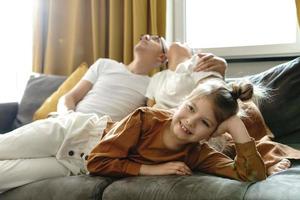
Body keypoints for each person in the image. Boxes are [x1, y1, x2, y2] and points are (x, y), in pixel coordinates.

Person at [2, 78, 300, 192]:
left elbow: (252, 176)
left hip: (72, 164)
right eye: (190, 108)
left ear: (211, 133)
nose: (189, 121)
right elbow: (100, 160)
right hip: (74, 131)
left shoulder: (199, 153)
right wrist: (152, 169)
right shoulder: (146, 118)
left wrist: (237, 129)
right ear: (183, 101)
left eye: (204, 122)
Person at [57, 34, 168, 121]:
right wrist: (68, 117)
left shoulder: (153, 84)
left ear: (162, 57)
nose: (145, 37)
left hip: (101, 135)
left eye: (155, 39)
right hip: (70, 120)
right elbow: (69, 97)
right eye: (145, 36)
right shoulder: (104, 64)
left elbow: (152, 119)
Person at [146, 42, 227, 108]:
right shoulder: (157, 77)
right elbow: (148, 109)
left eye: (183, 43)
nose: (181, 42)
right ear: (165, 55)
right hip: (159, 120)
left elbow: (215, 94)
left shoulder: (198, 62)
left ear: (190, 54)